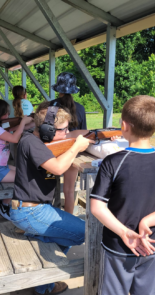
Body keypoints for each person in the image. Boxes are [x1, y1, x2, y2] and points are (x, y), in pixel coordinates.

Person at [90, 95, 155, 295]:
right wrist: (148, 221)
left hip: (117, 245)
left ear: (124, 126)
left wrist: (125, 232)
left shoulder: (112, 162)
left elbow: (97, 207)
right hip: (150, 244)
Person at [10, 100, 92, 295]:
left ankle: (43, 280)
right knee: (85, 232)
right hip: (30, 211)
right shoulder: (30, 142)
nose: (66, 133)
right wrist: (75, 148)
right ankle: (43, 284)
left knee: (69, 232)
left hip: (32, 210)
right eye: (62, 130)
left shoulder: (38, 140)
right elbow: (57, 168)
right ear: (47, 129)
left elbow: (70, 136)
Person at [0, 98, 33, 220]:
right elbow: (14, 139)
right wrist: (23, 122)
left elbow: (10, 131)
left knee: (24, 172)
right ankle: (4, 205)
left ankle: (8, 203)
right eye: (5, 113)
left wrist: (26, 123)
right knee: (24, 177)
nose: (8, 115)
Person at [51, 72, 87, 214]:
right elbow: (83, 132)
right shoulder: (80, 108)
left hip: (53, 151)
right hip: (73, 151)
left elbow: (46, 131)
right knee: (69, 190)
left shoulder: (51, 106)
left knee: (47, 186)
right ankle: (69, 219)